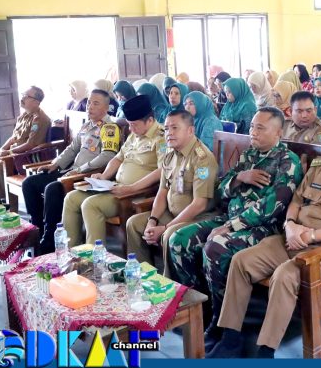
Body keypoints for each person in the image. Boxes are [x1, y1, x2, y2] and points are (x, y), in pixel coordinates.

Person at [208, 115, 321, 358]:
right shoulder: (318, 169)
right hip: (292, 238)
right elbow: (296, 201)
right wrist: (289, 225)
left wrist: (311, 235)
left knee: (284, 275)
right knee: (241, 261)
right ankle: (231, 338)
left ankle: (266, 351)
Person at [168, 108, 303, 351]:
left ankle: (221, 322)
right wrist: (240, 177)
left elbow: (272, 207)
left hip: (263, 229)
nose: (253, 132)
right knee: (179, 239)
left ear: (278, 133)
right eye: (252, 126)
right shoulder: (249, 154)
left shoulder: (288, 162)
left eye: (260, 128)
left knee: (216, 248)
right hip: (228, 219)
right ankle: (202, 309)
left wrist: (231, 226)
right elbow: (220, 191)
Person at [61, 95, 165, 246]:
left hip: (136, 194)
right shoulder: (135, 135)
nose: (130, 129)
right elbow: (117, 159)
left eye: (134, 125)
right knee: (71, 198)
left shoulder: (161, 137)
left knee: (90, 205)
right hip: (116, 187)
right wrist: (104, 176)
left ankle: (94, 256)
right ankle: (72, 250)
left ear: (149, 120)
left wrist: (132, 188)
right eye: (129, 124)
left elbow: (162, 171)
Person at [24, 89, 120, 252]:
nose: (90, 106)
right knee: (30, 183)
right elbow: (72, 149)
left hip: (86, 176)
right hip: (70, 171)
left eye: (95, 103)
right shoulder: (87, 125)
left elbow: (108, 156)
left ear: (106, 107)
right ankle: (37, 229)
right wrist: (55, 163)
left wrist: (80, 170)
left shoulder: (110, 128)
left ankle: (49, 240)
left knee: (52, 189)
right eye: (89, 102)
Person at [126, 109, 219, 266]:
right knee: (134, 224)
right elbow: (162, 192)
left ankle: (169, 279)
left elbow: (200, 204)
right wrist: (152, 221)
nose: (169, 132)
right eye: (167, 128)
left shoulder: (202, 158)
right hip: (171, 214)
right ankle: (142, 272)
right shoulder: (170, 154)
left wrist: (165, 227)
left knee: (169, 234)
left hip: (198, 217)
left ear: (190, 130)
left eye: (175, 128)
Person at [0, 86, 52, 201]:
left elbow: (30, 145)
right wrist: (2, 150)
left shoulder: (40, 119)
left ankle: (2, 201)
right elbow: (13, 137)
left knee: (0, 166)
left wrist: (8, 153)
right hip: (12, 150)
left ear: (36, 102)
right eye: (23, 95)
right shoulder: (24, 115)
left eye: (26, 96)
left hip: (24, 156)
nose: (22, 98)